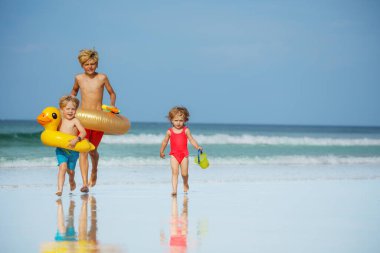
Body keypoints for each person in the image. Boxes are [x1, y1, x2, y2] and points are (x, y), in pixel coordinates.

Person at [70, 49, 117, 193]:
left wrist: (112, 108)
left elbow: (112, 93)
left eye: (92, 64)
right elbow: (74, 92)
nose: (90, 66)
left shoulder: (102, 77)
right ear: (82, 65)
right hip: (83, 119)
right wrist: (70, 107)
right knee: (83, 150)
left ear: (97, 64)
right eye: (86, 64)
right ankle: (84, 184)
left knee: (92, 150)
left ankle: (94, 169)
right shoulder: (78, 78)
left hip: (98, 120)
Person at [160, 106, 202, 196]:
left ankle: (185, 183)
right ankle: (174, 190)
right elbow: (164, 142)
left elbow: (191, 140)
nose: (178, 123)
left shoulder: (186, 130)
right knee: (175, 172)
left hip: (184, 155)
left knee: (184, 173)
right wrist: (162, 151)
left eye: (181, 120)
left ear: (185, 120)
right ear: (171, 120)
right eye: (176, 120)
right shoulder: (169, 131)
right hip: (174, 155)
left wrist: (197, 146)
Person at [56, 95, 87, 196]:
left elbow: (83, 132)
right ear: (62, 109)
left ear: (76, 110)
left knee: (71, 172)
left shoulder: (75, 121)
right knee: (62, 167)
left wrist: (77, 139)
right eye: (67, 109)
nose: (70, 111)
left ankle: (72, 181)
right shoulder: (59, 121)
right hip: (61, 150)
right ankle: (59, 189)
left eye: (73, 109)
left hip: (73, 151)